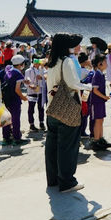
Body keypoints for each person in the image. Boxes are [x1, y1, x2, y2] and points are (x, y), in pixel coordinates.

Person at [45, 33, 92, 193]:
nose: (77, 47)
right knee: (67, 146)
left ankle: (53, 180)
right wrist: (88, 87)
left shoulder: (52, 62)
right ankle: (67, 182)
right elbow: (73, 83)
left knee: (52, 146)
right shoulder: (67, 61)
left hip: (52, 108)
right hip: (67, 108)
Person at [1, 55, 30, 146]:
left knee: (6, 118)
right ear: (21, 64)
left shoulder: (8, 70)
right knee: (15, 119)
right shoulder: (18, 74)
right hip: (14, 99)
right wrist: (23, 97)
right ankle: (17, 138)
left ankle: (6, 138)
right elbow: (17, 89)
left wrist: (23, 81)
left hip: (6, 98)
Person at [89, 54, 111, 151]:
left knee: (100, 120)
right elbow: (95, 90)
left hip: (100, 101)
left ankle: (100, 138)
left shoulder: (100, 74)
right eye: (105, 62)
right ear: (100, 64)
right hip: (96, 102)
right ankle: (96, 140)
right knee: (98, 121)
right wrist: (105, 97)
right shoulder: (97, 74)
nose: (106, 64)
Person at [25, 58, 45, 131]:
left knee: (41, 108)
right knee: (31, 109)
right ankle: (31, 124)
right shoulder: (28, 71)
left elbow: (45, 78)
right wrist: (29, 85)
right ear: (33, 63)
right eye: (36, 63)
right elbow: (26, 80)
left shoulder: (42, 70)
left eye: (39, 63)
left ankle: (41, 123)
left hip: (39, 91)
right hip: (31, 91)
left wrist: (42, 78)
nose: (37, 65)